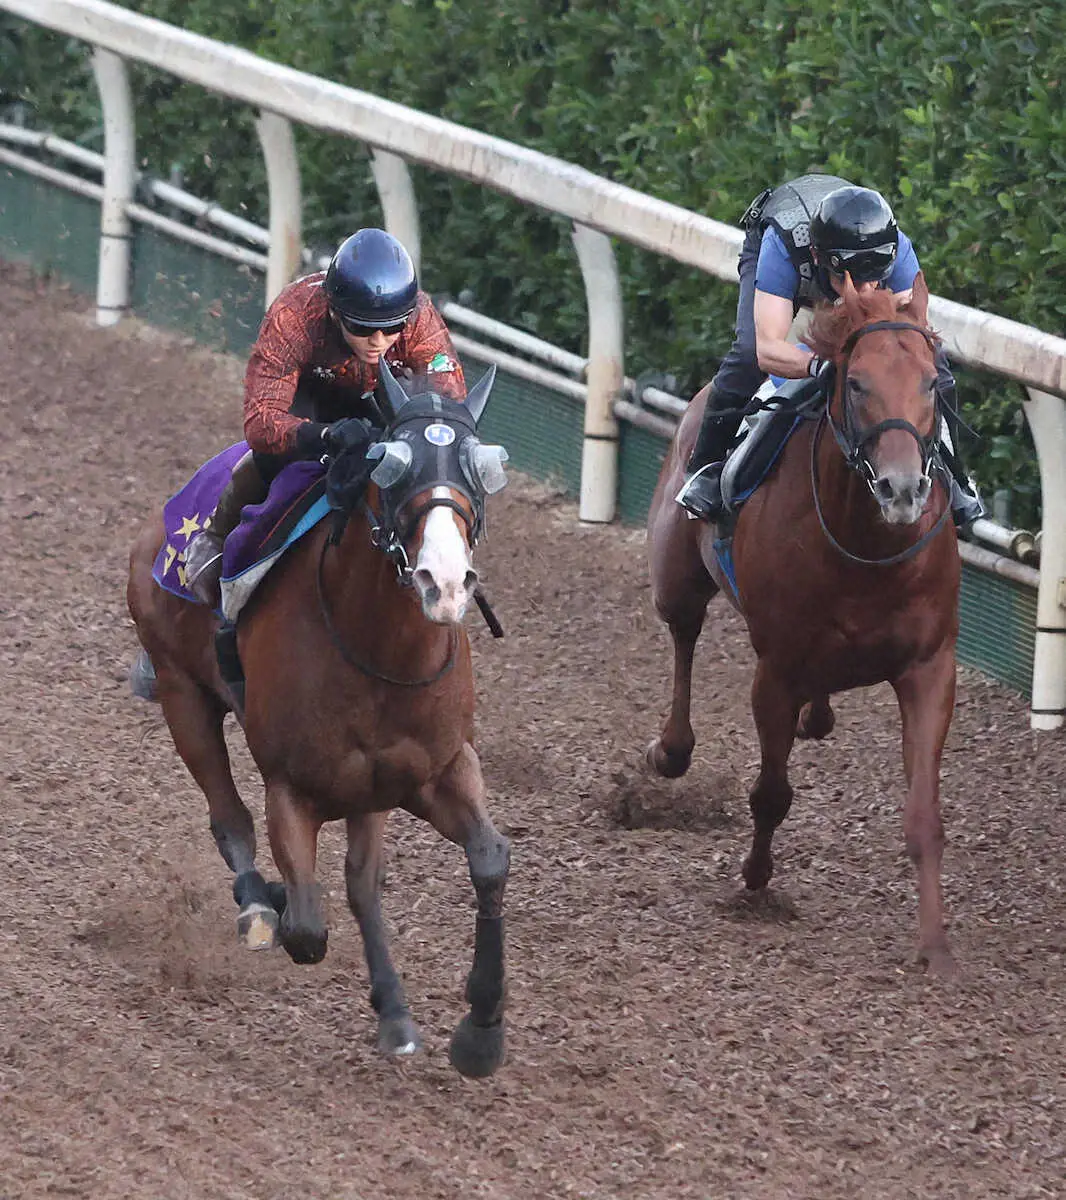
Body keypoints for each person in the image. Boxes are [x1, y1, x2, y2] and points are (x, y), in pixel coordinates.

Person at [675, 175, 985, 526]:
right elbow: (767, 348)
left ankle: (956, 474)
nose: (865, 290)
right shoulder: (784, 247)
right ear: (820, 258)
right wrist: (819, 367)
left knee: (934, 369)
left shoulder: (896, 249)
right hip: (784, 252)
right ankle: (705, 469)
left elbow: (910, 344)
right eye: (851, 278)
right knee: (746, 354)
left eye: (875, 278)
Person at [184, 227, 466, 605]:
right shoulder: (294, 314)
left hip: (388, 400)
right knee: (271, 456)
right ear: (334, 312)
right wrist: (323, 435)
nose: (379, 341)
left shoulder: (420, 319)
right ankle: (217, 535)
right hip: (312, 398)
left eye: (392, 328)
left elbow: (448, 402)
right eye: (362, 328)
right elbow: (262, 420)